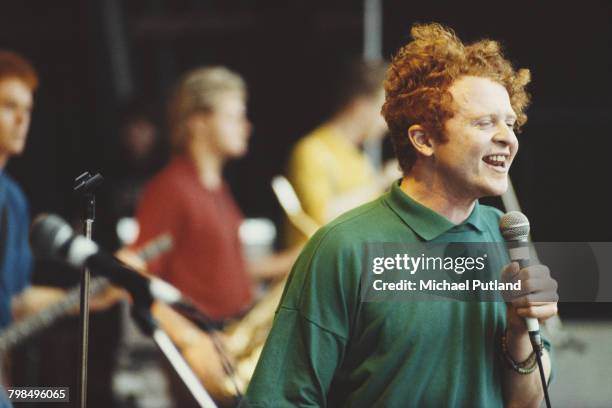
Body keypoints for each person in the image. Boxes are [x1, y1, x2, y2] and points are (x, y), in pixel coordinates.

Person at [245, 23, 557, 407]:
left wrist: (520, 333)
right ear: (423, 140)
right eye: (483, 123)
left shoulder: (505, 240)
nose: (508, 138)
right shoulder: (343, 247)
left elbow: (524, 403)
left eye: (509, 123)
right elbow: (280, 399)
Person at [131, 66, 298, 324]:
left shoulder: (216, 187)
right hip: (203, 340)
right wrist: (189, 339)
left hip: (230, 332)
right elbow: (137, 275)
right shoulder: (171, 188)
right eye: (234, 117)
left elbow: (223, 268)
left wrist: (299, 257)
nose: (246, 127)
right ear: (198, 123)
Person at [285, 60, 400, 246]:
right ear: (359, 105)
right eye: (384, 111)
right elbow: (324, 219)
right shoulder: (312, 150)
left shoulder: (360, 160)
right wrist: (382, 180)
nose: (386, 123)